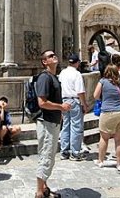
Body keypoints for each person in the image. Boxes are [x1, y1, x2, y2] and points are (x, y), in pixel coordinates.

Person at [35, 50, 71, 198]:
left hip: (53, 120)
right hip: (47, 121)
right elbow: (42, 102)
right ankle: (39, 192)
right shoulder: (44, 78)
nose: (54, 56)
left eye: (54, 54)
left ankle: (44, 187)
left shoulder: (53, 77)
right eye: (50, 56)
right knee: (46, 156)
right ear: (44, 62)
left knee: (48, 155)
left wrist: (59, 112)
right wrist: (60, 107)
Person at [93, 64, 120, 173]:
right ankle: (119, 164)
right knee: (119, 140)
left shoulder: (102, 81)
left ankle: (101, 160)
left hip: (107, 112)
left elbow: (95, 95)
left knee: (104, 138)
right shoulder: (119, 84)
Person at [59, 53, 87, 161]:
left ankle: (64, 151)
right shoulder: (77, 74)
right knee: (76, 127)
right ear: (77, 63)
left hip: (64, 100)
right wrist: (84, 104)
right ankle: (75, 152)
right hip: (74, 101)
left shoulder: (62, 73)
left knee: (66, 125)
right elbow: (80, 91)